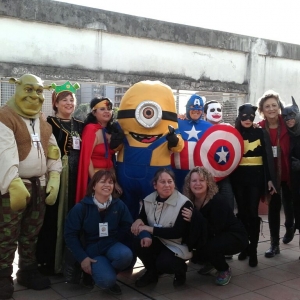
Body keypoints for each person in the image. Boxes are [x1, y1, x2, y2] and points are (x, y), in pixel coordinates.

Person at [0, 74, 62, 299]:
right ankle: (2, 275)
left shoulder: (43, 123)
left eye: (38, 91)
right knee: (6, 233)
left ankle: (27, 269)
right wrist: (12, 182)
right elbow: (3, 153)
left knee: (31, 232)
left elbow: (53, 151)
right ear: (17, 89)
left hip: (38, 185)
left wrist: (54, 177)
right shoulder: (5, 117)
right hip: (14, 186)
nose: (34, 96)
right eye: (29, 90)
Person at [110, 81, 184, 219]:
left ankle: (151, 234)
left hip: (155, 175)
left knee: (155, 210)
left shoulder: (169, 131)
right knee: (126, 210)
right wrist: (115, 142)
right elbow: (115, 148)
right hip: (127, 177)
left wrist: (174, 141)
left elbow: (178, 146)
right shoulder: (122, 131)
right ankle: (128, 234)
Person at [36, 81, 83, 275]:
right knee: (52, 217)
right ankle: (48, 262)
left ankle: (71, 261)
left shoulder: (81, 124)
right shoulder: (47, 123)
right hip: (56, 175)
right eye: (64, 99)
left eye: (72, 99)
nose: (69, 103)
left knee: (74, 215)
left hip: (77, 175)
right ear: (55, 103)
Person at [64, 170, 133, 295]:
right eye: (102, 182)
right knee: (106, 281)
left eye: (110, 182)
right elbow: (70, 235)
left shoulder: (119, 205)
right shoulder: (81, 208)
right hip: (91, 250)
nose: (107, 185)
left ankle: (105, 272)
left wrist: (115, 238)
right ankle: (99, 274)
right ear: (94, 186)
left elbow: (127, 224)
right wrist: (82, 257)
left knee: (125, 255)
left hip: (110, 244)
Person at [184, 167, 248, 286]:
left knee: (208, 246)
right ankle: (212, 262)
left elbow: (213, 230)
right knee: (198, 248)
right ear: (189, 183)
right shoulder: (189, 201)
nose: (198, 183)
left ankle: (224, 269)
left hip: (235, 236)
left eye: (202, 180)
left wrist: (194, 217)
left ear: (208, 183)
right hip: (216, 235)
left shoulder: (218, 201)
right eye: (194, 181)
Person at [231, 103, 276, 267]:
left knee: (251, 212)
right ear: (240, 117)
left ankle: (253, 249)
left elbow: (267, 157)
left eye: (251, 116)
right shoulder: (234, 133)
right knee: (242, 213)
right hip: (238, 179)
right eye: (245, 116)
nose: (248, 119)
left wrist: (270, 178)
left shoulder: (259, 132)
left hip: (256, 178)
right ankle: (245, 246)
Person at [131, 168, 193, 287]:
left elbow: (177, 232)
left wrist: (149, 229)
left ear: (174, 183)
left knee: (164, 264)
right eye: (162, 182)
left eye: (170, 181)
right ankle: (151, 273)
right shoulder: (149, 199)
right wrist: (138, 220)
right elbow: (143, 217)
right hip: (158, 240)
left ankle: (180, 269)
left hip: (176, 245)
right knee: (137, 239)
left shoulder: (184, 203)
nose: (167, 185)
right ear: (155, 185)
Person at [257, 90, 294, 257]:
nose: (271, 109)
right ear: (262, 110)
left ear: (279, 107)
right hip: (272, 177)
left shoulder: (289, 124)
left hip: (292, 174)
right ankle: (274, 244)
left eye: (274, 105)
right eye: (267, 106)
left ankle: (290, 226)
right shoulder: (259, 128)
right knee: (273, 209)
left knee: (291, 208)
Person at [76, 97, 122, 203]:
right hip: (94, 178)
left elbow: (110, 159)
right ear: (94, 112)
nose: (107, 111)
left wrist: (113, 181)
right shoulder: (91, 129)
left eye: (109, 109)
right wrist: (96, 182)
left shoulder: (112, 131)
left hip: (108, 178)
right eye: (102, 109)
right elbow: (87, 158)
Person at [171, 94, 212, 192]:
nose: (196, 110)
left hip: (199, 175)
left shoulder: (209, 127)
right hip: (176, 172)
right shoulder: (177, 122)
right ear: (187, 108)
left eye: (199, 108)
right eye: (193, 107)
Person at [282, 97, 300, 243]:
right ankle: (290, 227)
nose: (289, 119)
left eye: (292, 115)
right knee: (288, 203)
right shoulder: (286, 134)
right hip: (289, 178)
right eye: (285, 116)